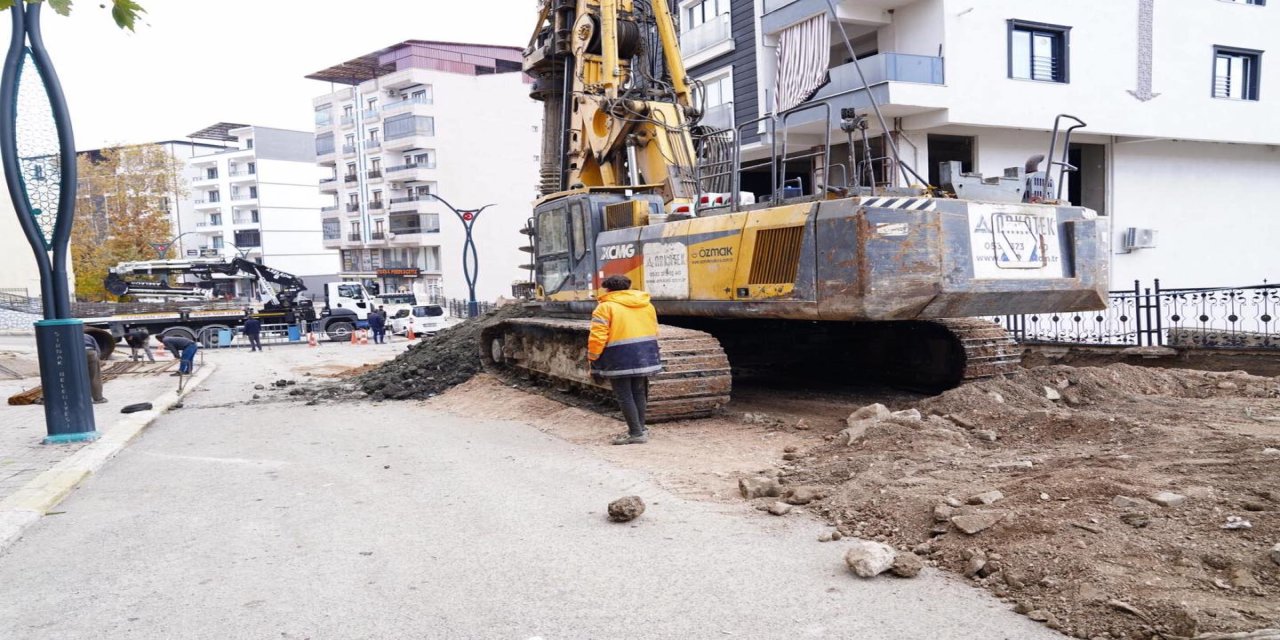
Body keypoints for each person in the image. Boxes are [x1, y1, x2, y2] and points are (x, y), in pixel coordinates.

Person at [587, 275, 662, 445]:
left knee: (624, 394)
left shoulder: (605, 307)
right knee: (638, 392)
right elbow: (655, 329)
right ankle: (641, 429)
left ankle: (635, 433)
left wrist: (593, 357)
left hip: (619, 356)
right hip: (644, 353)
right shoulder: (646, 304)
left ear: (607, 289)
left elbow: (598, 336)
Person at [82, 332, 107, 404]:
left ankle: (82, 398)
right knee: (94, 377)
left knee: (79, 376)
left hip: (78, 353)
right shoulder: (88, 336)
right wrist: (97, 358)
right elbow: (97, 348)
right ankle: (98, 398)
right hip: (91, 352)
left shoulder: (72, 335)